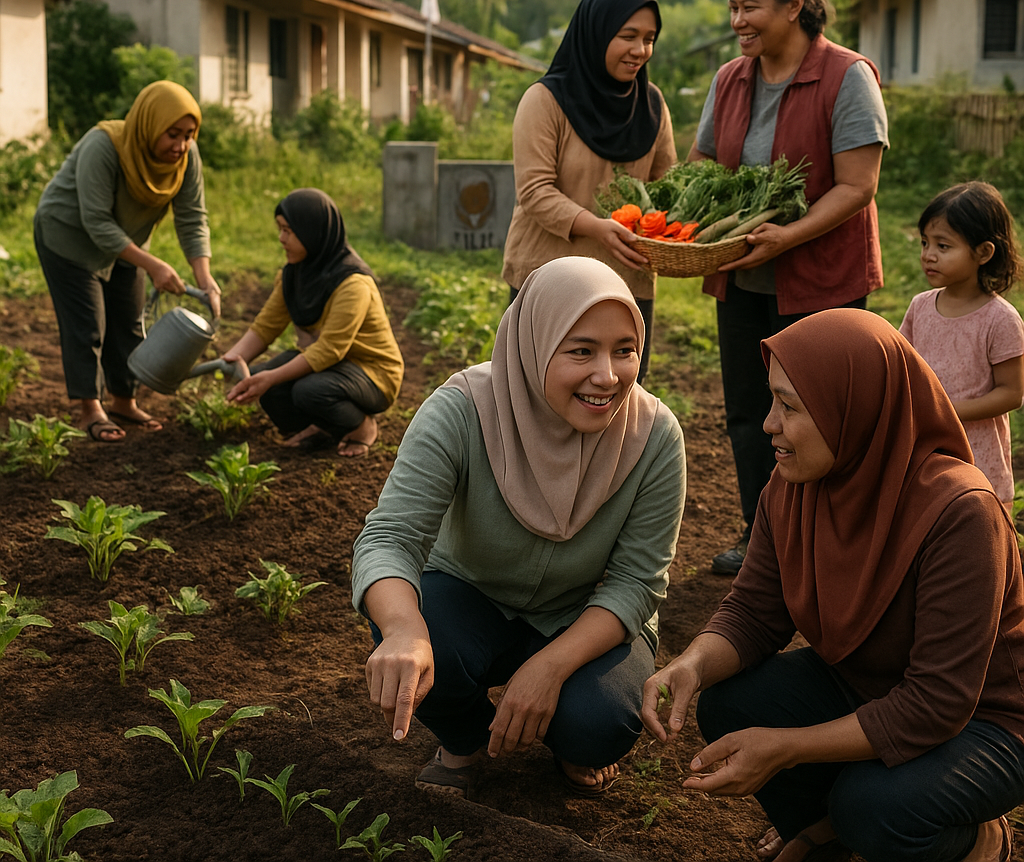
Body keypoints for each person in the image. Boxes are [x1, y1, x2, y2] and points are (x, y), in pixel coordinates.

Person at [642, 310, 1024, 862]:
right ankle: (824, 829)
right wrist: (692, 664)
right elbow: (754, 611)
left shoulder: (960, 512)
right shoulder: (793, 482)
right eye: (771, 401)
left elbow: (938, 703)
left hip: (986, 723)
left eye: (790, 407)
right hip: (870, 685)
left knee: (875, 807)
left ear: (856, 410)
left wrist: (787, 749)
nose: (769, 423)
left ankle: (978, 840)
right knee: (731, 703)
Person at [351, 257, 685, 798]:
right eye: (581, 350)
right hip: (471, 596)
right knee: (418, 632)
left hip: (581, 616)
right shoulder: (463, 410)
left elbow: (636, 583)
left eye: (625, 350)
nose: (608, 375)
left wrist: (549, 667)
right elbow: (391, 537)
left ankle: (569, 738)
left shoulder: (655, 438)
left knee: (598, 725)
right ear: (533, 344)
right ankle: (464, 739)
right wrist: (403, 629)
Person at [692, 0, 889, 576]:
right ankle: (764, 539)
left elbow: (858, 186)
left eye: (750, 7)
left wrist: (790, 235)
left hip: (821, 279)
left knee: (823, 416)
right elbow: (702, 166)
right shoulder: (729, 79)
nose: (737, 21)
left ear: (795, 4)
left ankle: (833, 547)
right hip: (745, 276)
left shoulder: (846, 75)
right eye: (732, 8)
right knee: (750, 413)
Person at [501, 0, 677, 382]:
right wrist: (598, 229)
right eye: (627, 36)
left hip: (624, 278)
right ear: (596, 33)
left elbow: (667, 184)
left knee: (616, 400)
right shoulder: (546, 100)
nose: (640, 50)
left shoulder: (651, 104)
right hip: (549, 274)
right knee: (538, 398)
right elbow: (535, 191)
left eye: (649, 39)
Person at [34, 80, 219, 443]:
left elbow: (192, 216)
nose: (180, 145)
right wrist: (153, 265)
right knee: (88, 325)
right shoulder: (103, 146)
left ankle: (123, 401)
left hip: (126, 242)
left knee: (130, 318)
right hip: (69, 236)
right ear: (151, 124)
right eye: (172, 134)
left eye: (189, 134)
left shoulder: (186, 157)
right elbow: (96, 222)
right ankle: (91, 408)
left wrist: (205, 278)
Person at [222, 188, 403, 457]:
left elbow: (330, 349)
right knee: (272, 390)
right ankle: (325, 426)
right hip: (331, 366)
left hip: (373, 373)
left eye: (289, 231)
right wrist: (232, 360)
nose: (281, 239)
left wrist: (269, 378)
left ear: (312, 232)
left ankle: (363, 426)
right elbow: (266, 326)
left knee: (308, 391)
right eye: (280, 229)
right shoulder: (294, 275)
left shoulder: (353, 283)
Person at [900, 181, 1024, 515]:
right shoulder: (920, 307)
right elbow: (902, 368)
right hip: (925, 448)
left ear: (983, 253)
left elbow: (1012, 394)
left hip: (977, 456)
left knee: (979, 536)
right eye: (925, 242)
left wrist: (946, 410)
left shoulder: (1001, 319)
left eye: (943, 245)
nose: (928, 254)